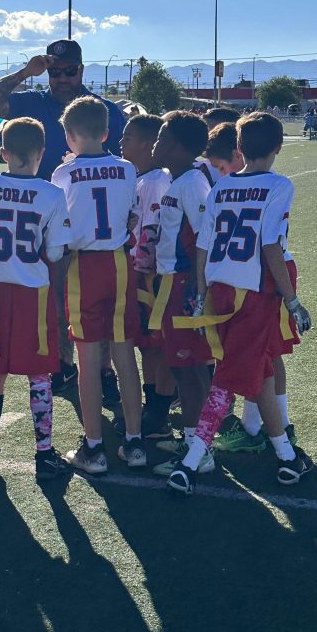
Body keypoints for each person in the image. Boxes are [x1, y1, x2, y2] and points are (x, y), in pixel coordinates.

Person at [166, 112, 314, 495]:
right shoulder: (278, 185)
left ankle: (286, 455)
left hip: (221, 289)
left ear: (239, 148)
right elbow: (270, 244)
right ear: (278, 147)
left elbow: (204, 244)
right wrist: (293, 300)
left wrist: (202, 294)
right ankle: (190, 462)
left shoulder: (221, 186)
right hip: (254, 292)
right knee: (229, 377)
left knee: (259, 369)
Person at [0, 38, 125, 404]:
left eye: (69, 71)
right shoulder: (32, 102)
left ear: (81, 69)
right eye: (54, 72)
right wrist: (25, 72)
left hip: (91, 230)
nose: (61, 79)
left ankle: (104, 369)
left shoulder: (101, 110)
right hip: (40, 223)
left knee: (97, 306)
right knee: (55, 301)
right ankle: (63, 363)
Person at [0, 117, 73, 480]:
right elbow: (57, 252)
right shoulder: (52, 194)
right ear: (41, 152)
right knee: (39, 372)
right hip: (35, 292)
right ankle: (44, 454)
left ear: (3, 152)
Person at [51, 97, 143, 475]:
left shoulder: (63, 174)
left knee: (88, 358)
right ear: (106, 132)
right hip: (120, 263)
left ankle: (94, 447)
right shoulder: (127, 169)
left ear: (69, 135)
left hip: (83, 266)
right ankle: (134, 441)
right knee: (124, 355)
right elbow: (131, 215)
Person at [147, 111, 215, 479]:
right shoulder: (181, 180)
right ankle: (196, 440)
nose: (155, 144)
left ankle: (197, 449)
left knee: (187, 369)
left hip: (184, 284)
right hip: (173, 281)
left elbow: (205, 237)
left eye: (161, 138)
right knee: (185, 366)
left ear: (176, 146)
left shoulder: (191, 183)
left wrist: (196, 289)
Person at [120, 114, 174, 439]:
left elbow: (152, 232)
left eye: (127, 137)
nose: (121, 142)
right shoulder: (142, 178)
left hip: (148, 275)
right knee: (146, 345)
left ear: (147, 144)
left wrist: (141, 272)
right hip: (141, 272)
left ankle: (158, 411)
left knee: (156, 344)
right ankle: (152, 405)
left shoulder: (154, 181)